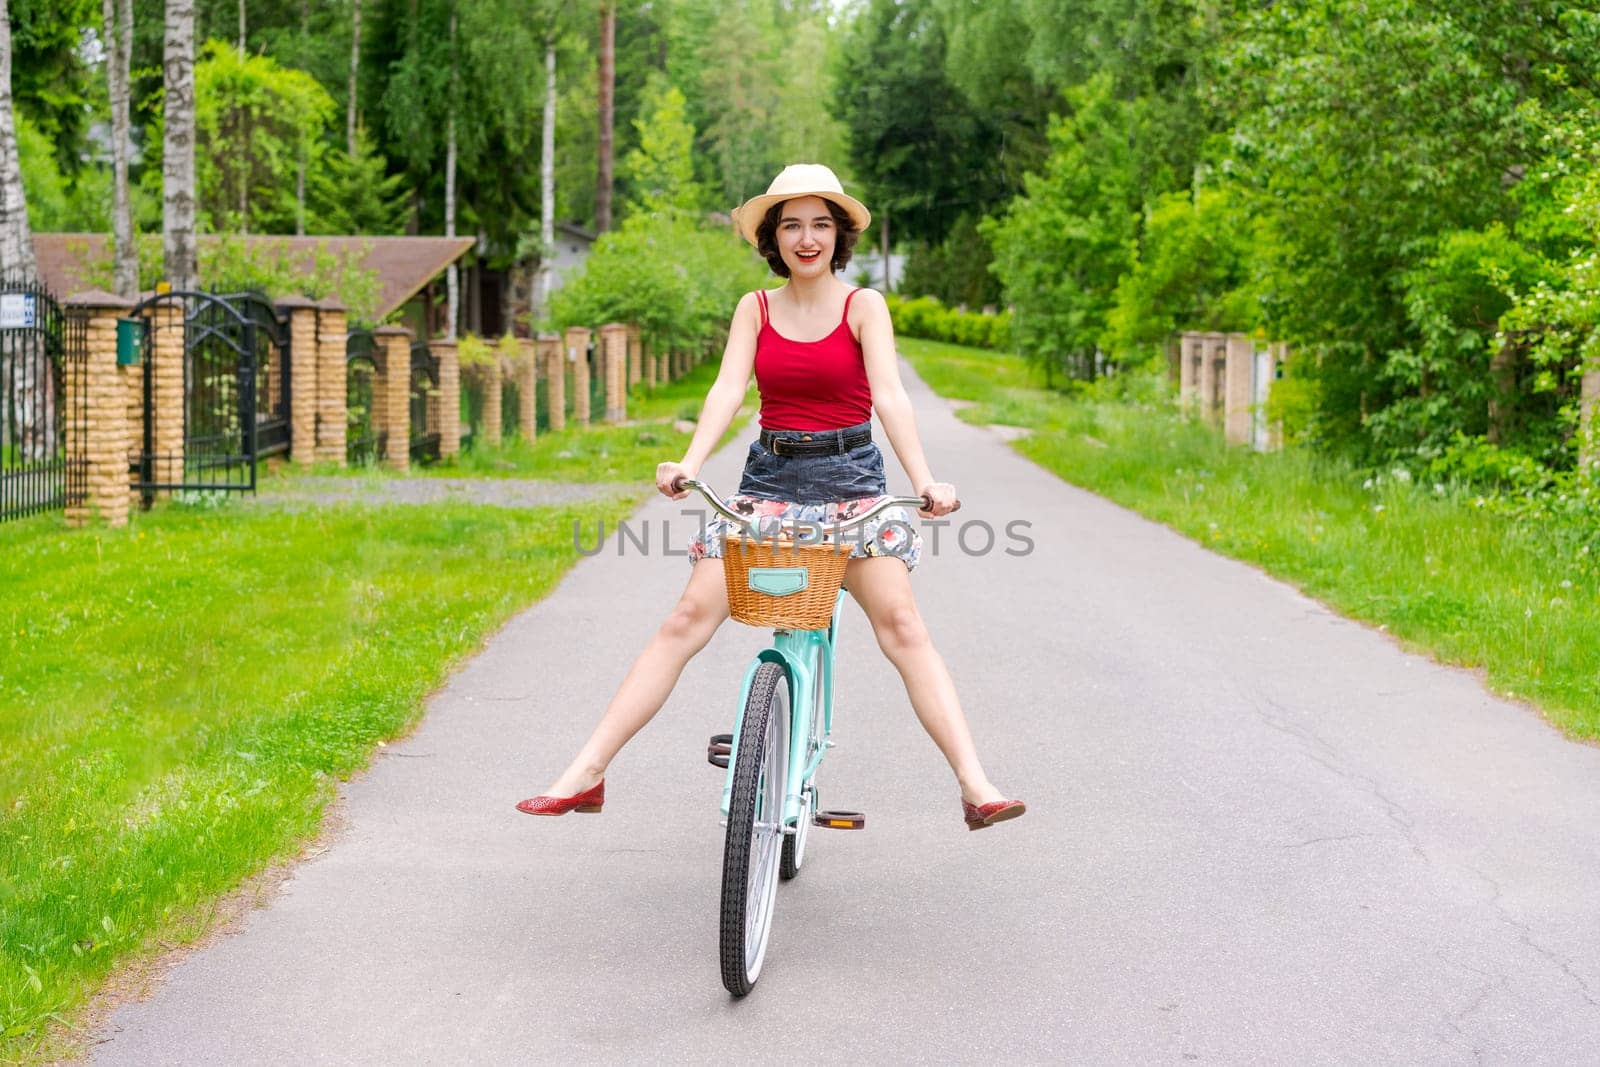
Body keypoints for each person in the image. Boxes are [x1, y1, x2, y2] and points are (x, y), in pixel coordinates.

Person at [517, 164, 1024, 831]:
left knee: (902, 626)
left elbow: (891, 395)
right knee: (683, 621)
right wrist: (689, 463)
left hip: (853, 484)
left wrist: (924, 479)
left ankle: (974, 782)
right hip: (770, 484)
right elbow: (727, 392)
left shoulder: (863, 306)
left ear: (838, 235)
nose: (807, 238)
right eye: (792, 225)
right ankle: (586, 773)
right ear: (772, 238)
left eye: (820, 224)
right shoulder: (755, 309)